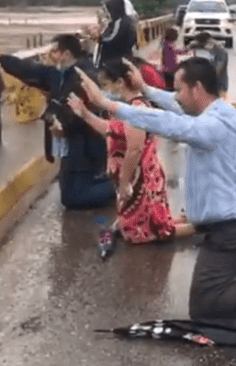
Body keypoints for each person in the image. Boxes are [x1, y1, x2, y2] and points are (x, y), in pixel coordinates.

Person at [75, 57, 236, 318]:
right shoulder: (214, 112)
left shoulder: (214, 123)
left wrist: (109, 105)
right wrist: (147, 89)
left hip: (230, 231)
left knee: (206, 307)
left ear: (197, 89)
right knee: (222, 285)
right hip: (225, 227)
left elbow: (173, 123)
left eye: (180, 89)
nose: (177, 97)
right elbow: (176, 107)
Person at [66, 61, 194, 243]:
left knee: (150, 232)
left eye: (106, 85)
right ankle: (191, 220)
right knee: (140, 227)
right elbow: (109, 129)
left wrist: (125, 183)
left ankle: (204, 227)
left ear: (119, 83)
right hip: (134, 177)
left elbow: (134, 150)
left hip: (140, 179)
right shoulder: (126, 108)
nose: (104, 90)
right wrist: (85, 114)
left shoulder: (136, 108)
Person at [0, 35, 114, 209]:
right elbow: (28, 68)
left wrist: (60, 123)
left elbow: (83, 116)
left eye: (54, 51)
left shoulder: (86, 78)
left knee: (73, 199)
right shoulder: (57, 73)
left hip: (85, 145)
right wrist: (2, 59)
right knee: (69, 193)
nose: (50, 55)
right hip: (68, 143)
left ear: (66, 54)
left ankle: (121, 186)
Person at [97, 0, 136, 67]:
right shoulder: (127, 19)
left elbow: (113, 38)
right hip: (126, 53)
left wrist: (101, 38)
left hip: (118, 56)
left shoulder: (120, 21)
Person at [188, 32, 229, 99]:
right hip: (212, 86)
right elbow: (192, 45)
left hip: (220, 85)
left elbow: (219, 68)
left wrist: (208, 77)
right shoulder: (211, 50)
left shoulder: (221, 52)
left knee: (220, 102)